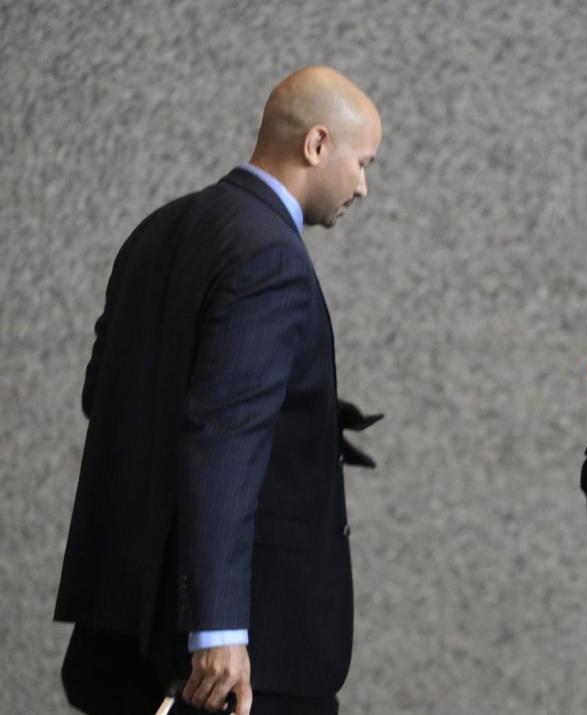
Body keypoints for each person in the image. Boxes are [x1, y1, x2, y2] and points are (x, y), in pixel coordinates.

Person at [54, 65, 382, 715]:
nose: (364, 186)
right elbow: (223, 436)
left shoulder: (156, 231)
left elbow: (109, 397)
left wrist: (299, 421)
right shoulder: (271, 256)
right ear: (316, 145)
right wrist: (221, 630)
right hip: (234, 657)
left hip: (119, 627)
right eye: (363, 162)